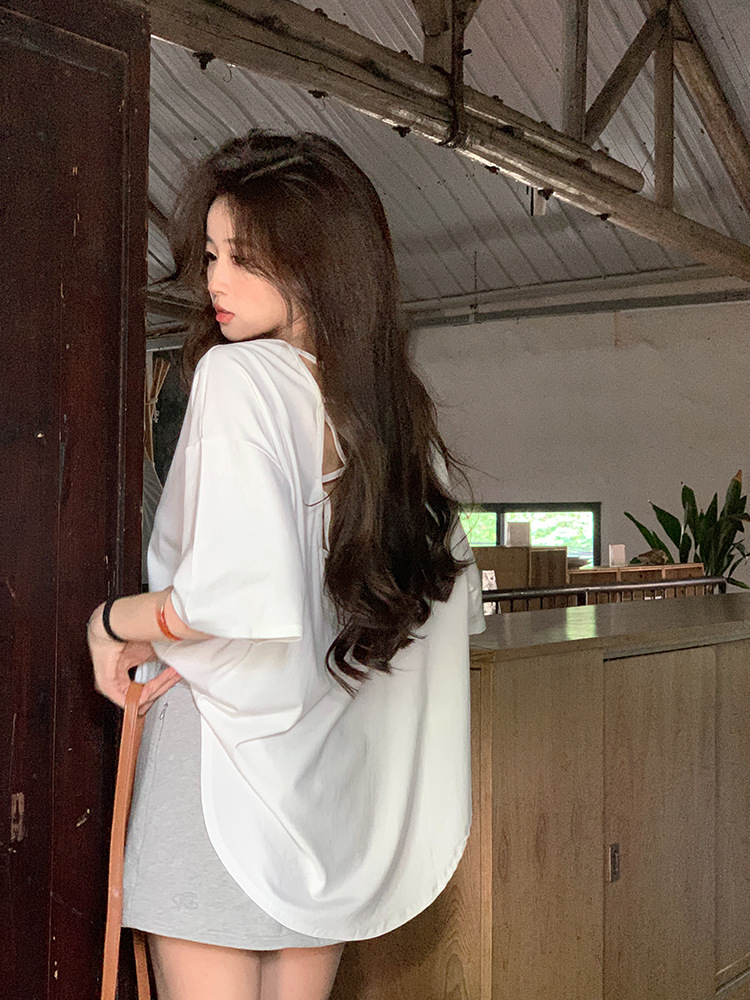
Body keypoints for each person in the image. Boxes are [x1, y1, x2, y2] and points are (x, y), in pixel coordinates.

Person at [87, 130, 485, 1000]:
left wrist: (110, 622)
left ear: (317, 265)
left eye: (245, 258)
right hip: (330, 797)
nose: (216, 281)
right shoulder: (396, 423)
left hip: (222, 771)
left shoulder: (239, 379)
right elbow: (439, 606)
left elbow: (222, 599)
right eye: (212, 255)